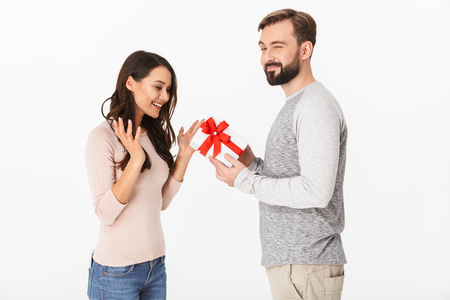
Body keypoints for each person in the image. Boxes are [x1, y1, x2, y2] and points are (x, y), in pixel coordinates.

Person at [210, 9, 347, 300]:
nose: (267, 56)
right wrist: (251, 163)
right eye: (263, 48)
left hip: (306, 264)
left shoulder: (314, 106)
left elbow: (316, 191)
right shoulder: (296, 103)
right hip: (296, 265)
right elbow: (291, 177)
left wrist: (244, 181)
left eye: (277, 46)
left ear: (305, 49)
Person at [85, 50, 202, 300]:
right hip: (116, 271)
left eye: (168, 89)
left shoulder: (154, 134)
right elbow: (105, 213)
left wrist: (183, 156)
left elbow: (161, 202)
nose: (165, 96)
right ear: (131, 83)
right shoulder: (102, 137)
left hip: (155, 265)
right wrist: (135, 160)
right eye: (158, 87)